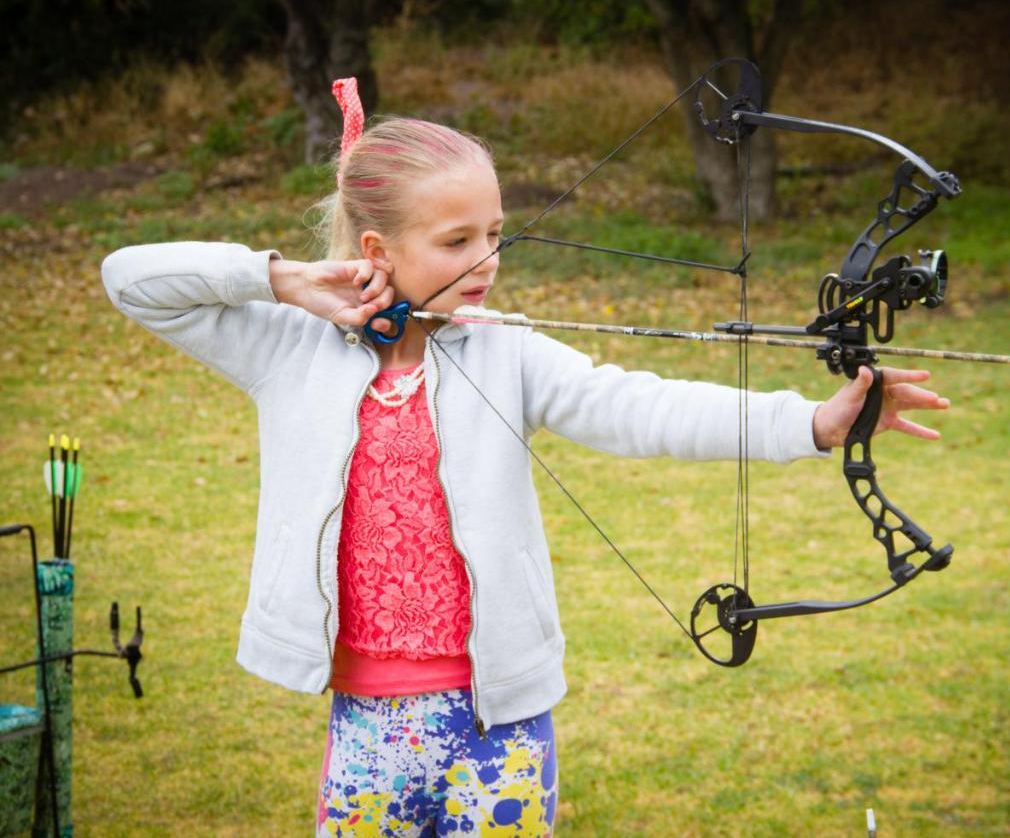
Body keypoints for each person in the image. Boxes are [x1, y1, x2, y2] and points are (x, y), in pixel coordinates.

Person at [101, 79, 948, 836]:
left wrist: (810, 423)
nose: (486, 261)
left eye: (495, 235)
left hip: (501, 722)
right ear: (375, 253)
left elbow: (638, 405)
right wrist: (279, 280)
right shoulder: (291, 348)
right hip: (366, 721)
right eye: (456, 240)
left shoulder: (505, 352)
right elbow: (130, 278)